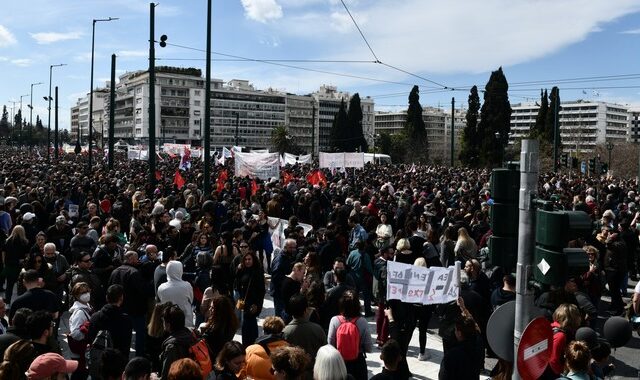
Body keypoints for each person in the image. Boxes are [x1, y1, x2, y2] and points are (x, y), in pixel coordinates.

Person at [109, 250, 147, 357]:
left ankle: (120, 355)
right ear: (130, 259)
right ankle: (139, 356)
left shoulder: (115, 271)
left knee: (122, 336)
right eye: (136, 258)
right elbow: (142, 290)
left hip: (119, 309)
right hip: (135, 311)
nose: (138, 260)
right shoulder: (134, 272)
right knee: (140, 335)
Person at [327, 290, 372, 380]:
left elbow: (330, 344)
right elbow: (368, 348)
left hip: (339, 362)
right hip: (358, 363)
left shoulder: (335, 320)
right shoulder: (362, 322)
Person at [282, 294, 327, 378]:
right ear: (306, 310)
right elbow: (325, 352)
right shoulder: (318, 329)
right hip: (315, 373)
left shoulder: (285, 332)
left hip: (294, 376)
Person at [87, 284, 133, 364]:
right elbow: (126, 346)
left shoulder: (95, 317)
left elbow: (90, 338)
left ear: (107, 297)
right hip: (117, 364)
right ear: (121, 298)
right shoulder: (126, 320)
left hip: (98, 362)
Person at [438, 300, 482, 380]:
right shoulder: (478, 345)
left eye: (455, 330)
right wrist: (463, 308)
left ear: (459, 333)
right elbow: (475, 326)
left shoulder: (451, 355)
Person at [241, 316, 289, 380]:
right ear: (281, 332)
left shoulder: (250, 350)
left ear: (263, 331)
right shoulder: (289, 352)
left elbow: (241, 372)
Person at [234, 249, 265, 347]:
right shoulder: (242, 270)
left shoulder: (257, 272)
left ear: (253, 260)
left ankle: (251, 346)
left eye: (249, 259)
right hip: (245, 302)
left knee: (249, 325)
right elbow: (237, 284)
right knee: (246, 326)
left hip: (253, 303)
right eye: (246, 259)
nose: (247, 261)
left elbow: (261, 291)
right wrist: (238, 271)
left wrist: (257, 304)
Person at [159, 304, 197, 380]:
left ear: (168, 325)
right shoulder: (191, 335)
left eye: (163, 321)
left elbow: (165, 375)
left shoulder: (171, 347)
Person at [545, 303, 582, 379]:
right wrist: (562, 373)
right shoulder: (560, 336)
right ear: (572, 319)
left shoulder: (551, 326)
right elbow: (553, 360)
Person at [201, 295, 239, 362]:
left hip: (210, 359)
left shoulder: (214, 329)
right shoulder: (232, 323)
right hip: (221, 357)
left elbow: (205, 343)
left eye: (212, 308)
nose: (210, 309)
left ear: (219, 311)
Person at [157, 260, 194, 329]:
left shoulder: (161, 287)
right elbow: (191, 300)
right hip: (185, 320)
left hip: (168, 322)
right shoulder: (187, 285)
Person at [67, 282, 92, 380]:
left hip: (83, 351)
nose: (86, 294)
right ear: (76, 296)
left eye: (87, 291)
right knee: (79, 374)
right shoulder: (79, 312)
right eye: (82, 292)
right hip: (80, 352)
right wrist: (86, 330)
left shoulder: (87, 307)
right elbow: (75, 333)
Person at [2, 225, 31, 304]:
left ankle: (8, 302)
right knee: (21, 285)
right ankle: (21, 302)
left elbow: (3, 253)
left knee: (9, 285)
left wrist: (4, 262)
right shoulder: (25, 242)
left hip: (10, 265)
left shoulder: (7, 241)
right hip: (20, 266)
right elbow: (27, 255)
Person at [346, 241, 374, 317]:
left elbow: (348, 263)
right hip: (363, 278)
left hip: (353, 277)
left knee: (354, 295)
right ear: (364, 247)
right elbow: (369, 268)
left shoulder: (352, 253)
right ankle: (368, 312)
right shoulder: (366, 255)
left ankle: (354, 311)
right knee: (366, 295)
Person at [271, 239, 295, 319]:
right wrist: (288, 279)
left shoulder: (287, 257)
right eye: (290, 248)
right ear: (285, 247)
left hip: (284, 292)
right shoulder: (280, 259)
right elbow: (276, 277)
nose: (293, 250)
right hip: (279, 293)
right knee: (280, 317)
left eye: (294, 247)